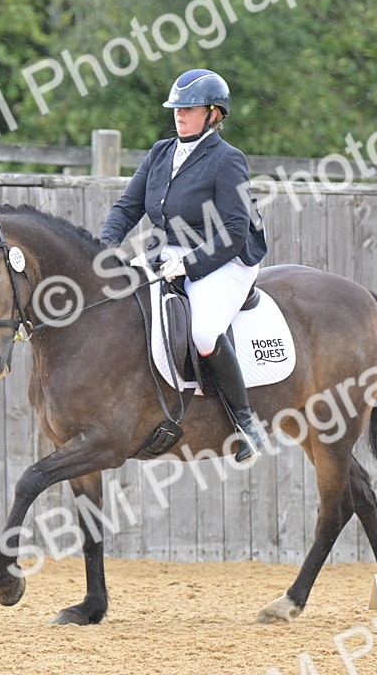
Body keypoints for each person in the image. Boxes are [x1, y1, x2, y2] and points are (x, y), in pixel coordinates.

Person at [99, 68, 268, 461]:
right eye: (176, 108)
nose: (179, 114)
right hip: (167, 251)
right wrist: (103, 246)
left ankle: (247, 424)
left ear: (213, 114)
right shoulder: (160, 152)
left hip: (225, 256)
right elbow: (128, 207)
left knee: (205, 333)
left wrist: (189, 267)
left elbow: (234, 230)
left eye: (189, 109)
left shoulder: (228, 160)